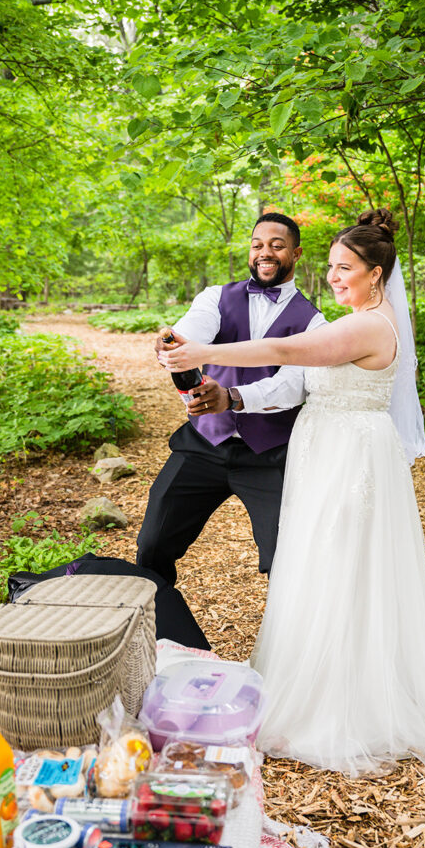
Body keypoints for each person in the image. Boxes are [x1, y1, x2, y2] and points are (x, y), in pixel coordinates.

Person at [160, 209, 425, 774]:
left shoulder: (370, 325)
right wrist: (217, 377)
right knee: (315, 562)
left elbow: (288, 353)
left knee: (342, 564)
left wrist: (205, 356)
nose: (333, 277)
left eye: (344, 267)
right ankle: (312, 674)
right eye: (330, 266)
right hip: (324, 453)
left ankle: (344, 699)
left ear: (376, 273)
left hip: (352, 459)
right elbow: (293, 379)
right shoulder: (351, 317)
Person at [136, 213, 326, 616]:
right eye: (258, 244)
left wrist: (233, 397)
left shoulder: (314, 322)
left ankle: (287, 652)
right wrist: (174, 345)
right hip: (204, 442)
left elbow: (293, 386)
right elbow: (192, 334)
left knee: (285, 559)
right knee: (153, 543)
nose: (265, 252)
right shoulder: (214, 297)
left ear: (296, 253)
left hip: (269, 453)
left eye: (276, 244)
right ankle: (159, 633)